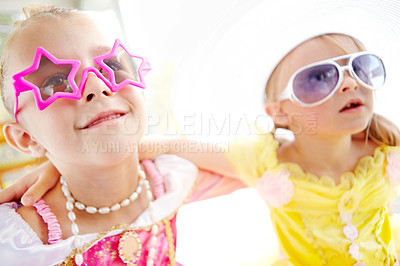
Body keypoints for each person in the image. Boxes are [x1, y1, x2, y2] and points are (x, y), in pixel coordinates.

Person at [0, 5, 244, 265]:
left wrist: (161, 146)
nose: (96, 84)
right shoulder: (18, 240)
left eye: (111, 64)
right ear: (26, 138)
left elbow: (269, 165)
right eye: (56, 82)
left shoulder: (167, 178)